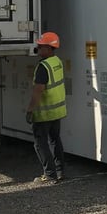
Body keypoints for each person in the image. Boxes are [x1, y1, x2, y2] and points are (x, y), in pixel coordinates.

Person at [25, 32, 67, 184]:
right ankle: (60, 172)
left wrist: (30, 110)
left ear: (49, 48)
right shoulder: (57, 61)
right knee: (55, 140)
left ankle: (49, 174)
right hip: (57, 111)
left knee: (40, 144)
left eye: (41, 46)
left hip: (44, 113)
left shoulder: (43, 67)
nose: (38, 48)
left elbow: (38, 91)